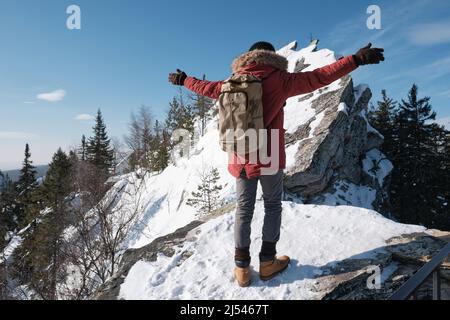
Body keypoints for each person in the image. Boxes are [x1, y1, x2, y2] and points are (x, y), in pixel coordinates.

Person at [168, 41, 384, 287]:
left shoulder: (230, 83)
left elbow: (204, 87)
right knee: (272, 206)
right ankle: (268, 262)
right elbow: (319, 77)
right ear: (272, 57)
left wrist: (183, 79)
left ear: (249, 57)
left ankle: (241, 269)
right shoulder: (279, 79)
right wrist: (355, 60)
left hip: (239, 155)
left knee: (243, 209)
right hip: (268, 154)